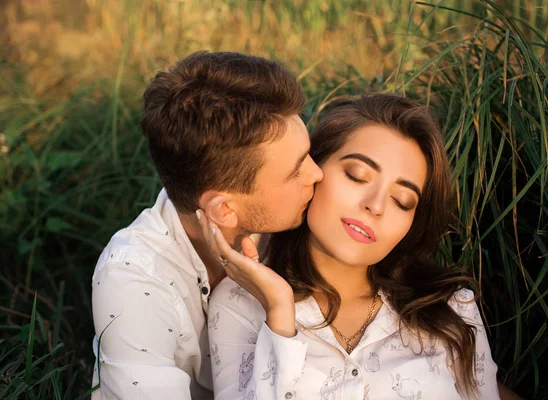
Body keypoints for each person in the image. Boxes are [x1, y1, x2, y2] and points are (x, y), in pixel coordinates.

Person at [204, 94, 501, 399]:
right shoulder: (241, 303)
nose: (375, 206)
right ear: (312, 170)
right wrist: (280, 313)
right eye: (357, 176)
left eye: (402, 201)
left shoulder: (451, 308)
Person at [90, 51, 323, 399]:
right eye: (296, 170)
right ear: (224, 209)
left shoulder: (306, 217)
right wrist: (277, 303)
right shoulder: (133, 279)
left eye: (308, 153)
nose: (317, 174)